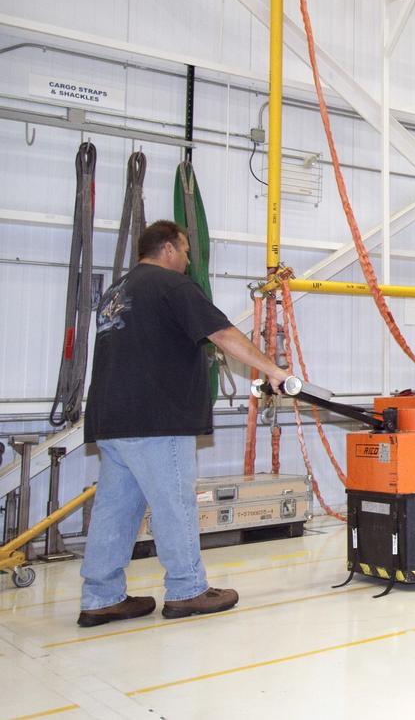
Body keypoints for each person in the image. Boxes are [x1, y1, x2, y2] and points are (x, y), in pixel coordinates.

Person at [78, 221, 291, 628]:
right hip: (156, 418)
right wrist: (273, 370)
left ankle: (101, 597)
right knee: (174, 504)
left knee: (114, 511)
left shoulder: (116, 293)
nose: (189, 261)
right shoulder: (171, 285)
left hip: (110, 419)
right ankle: (187, 589)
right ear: (169, 249)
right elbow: (222, 333)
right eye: (187, 252)